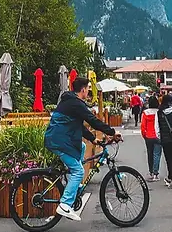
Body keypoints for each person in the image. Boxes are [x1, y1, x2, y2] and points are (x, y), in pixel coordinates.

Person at [43, 77, 117, 222]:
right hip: (60, 141)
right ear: (83, 89)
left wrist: (92, 138)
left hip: (61, 139)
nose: (88, 91)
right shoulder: (76, 103)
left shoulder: (70, 101)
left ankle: (74, 184)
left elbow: (78, 125)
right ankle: (64, 205)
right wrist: (112, 132)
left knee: (81, 147)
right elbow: (92, 120)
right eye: (88, 89)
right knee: (79, 171)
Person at [140, 95, 163, 182]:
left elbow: (143, 126)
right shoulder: (159, 112)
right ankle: (156, 173)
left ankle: (151, 172)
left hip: (148, 136)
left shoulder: (146, 113)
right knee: (157, 154)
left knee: (150, 154)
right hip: (158, 136)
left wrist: (144, 135)